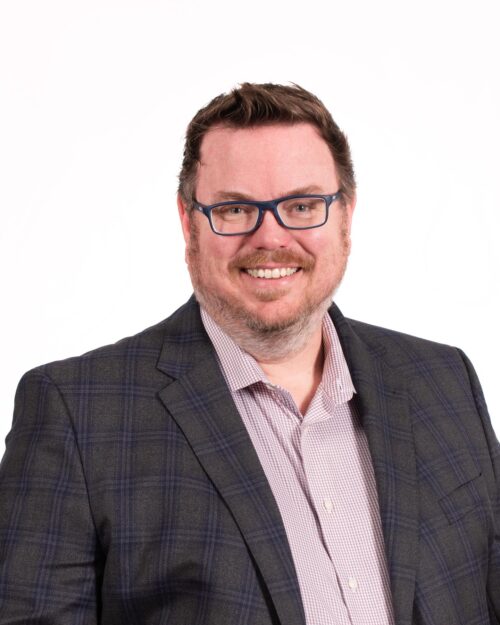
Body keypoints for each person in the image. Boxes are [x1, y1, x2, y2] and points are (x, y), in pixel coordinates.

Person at [0, 83, 498, 625]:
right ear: (188, 222)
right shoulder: (78, 415)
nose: (272, 237)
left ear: (346, 217)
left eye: (303, 205)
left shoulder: (445, 383)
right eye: (236, 209)